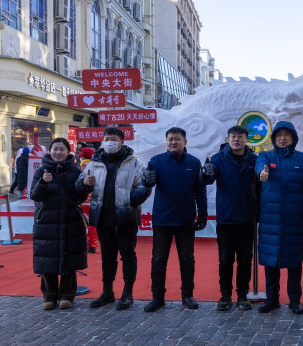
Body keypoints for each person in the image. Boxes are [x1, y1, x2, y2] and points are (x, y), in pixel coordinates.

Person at [76, 128, 151, 310]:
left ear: (121, 142)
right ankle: (107, 292)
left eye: (113, 139)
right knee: (108, 256)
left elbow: (144, 186)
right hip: (103, 216)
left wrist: (130, 201)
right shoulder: (94, 162)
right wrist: (84, 184)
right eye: (107, 138)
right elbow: (80, 181)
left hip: (125, 216)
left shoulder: (134, 163)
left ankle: (127, 293)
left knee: (127, 256)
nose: (109, 142)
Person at [141, 127, 207, 312]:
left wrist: (202, 214)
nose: (173, 142)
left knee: (187, 259)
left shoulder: (194, 162)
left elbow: (199, 190)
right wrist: (146, 180)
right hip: (162, 220)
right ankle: (157, 297)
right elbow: (149, 183)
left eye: (177, 139)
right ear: (166, 141)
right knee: (158, 260)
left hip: (185, 220)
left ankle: (187, 296)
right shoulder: (156, 160)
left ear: (185, 141)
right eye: (170, 139)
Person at [255, 121, 303, 314]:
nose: (282, 138)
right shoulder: (266, 156)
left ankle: (295, 300)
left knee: (294, 262)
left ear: (293, 138)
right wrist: (261, 173)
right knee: (271, 262)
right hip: (269, 220)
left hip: (294, 220)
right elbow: (259, 166)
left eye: (286, 135)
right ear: (274, 138)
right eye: (279, 135)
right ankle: (272, 299)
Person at [201, 125, 259, 311]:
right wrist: (206, 172)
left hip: (247, 218)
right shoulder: (218, 159)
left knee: (245, 260)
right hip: (226, 218)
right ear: (228, 139)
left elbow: (260, 188)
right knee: (225, 259)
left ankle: (242, 295)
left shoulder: (254, 160)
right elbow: (208, 180)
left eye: (240, 136)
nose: (236, 140)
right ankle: (225, 295)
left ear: (246, 139)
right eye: (233, 136)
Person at [29, 138, 87, 310]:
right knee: (48, 259)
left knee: (70, 259)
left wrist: (84, 186)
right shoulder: (41, 170)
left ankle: (67, 295)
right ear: (50, 150)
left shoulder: (75, 171)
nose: (58, 153)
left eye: (62, 149)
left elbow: (79, 198)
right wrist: (43, 183)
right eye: (55, 149)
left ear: (68, 151)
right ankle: (49, 296)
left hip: (70, 220)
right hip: (47, 220)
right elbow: (35, 195)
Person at [78, 146, 98, 254]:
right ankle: (93, 244)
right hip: (93, 198)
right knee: (92, 223)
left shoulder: (83, 166)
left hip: (84, 198)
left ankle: (86, 243)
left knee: (83, 222)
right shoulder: (96, 165)